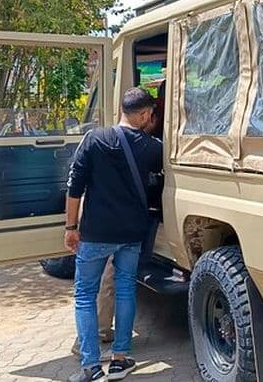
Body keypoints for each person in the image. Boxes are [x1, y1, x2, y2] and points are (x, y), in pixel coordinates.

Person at [64, 88, 162, 382]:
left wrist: (71, 228)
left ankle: (92, 367)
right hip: (132, 233)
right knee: (125, 291)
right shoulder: (153, 148)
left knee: (84, 295)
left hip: (96, 233)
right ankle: (120, 360)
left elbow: (75, 187)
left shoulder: (94, 139)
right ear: (145, 114)